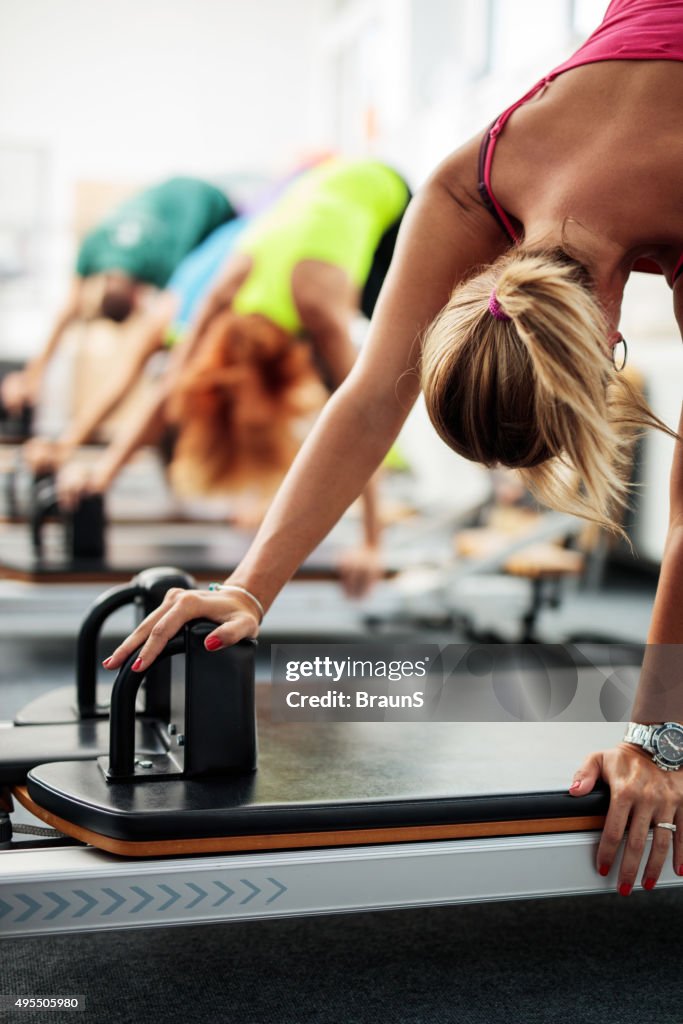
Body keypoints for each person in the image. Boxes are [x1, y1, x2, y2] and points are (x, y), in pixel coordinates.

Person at [103, 0, 683, 893]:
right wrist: (245, 587)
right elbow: (371, 396)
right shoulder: (471, 179)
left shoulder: (472, 177)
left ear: (607, 350)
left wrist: (656, 742)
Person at [59, 157, 411, 589]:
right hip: (314, 197)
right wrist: (100, 477)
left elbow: (366, 416)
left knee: (391, 362)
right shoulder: (223, 291)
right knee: (333, 387)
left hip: (385, 194)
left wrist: (373, 543)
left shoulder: (317, 307)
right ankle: (277, 499)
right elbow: (170, 387)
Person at [1, 176, 235, 420]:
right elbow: (68, 312)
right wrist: (33, 375)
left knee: (190, 325)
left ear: (136, 298)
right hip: (172, 187)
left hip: (214, 206)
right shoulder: (93, 245)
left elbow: (68, 311)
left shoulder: (165, 265)